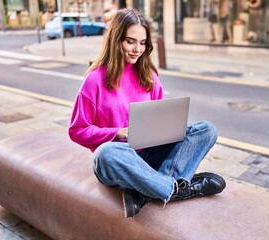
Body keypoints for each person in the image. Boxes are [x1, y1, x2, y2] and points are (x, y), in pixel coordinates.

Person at [68, 8, 226, 218]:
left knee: (207, 130)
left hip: (149, 156)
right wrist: (117, 133)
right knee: (104, 153)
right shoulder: (95, 80)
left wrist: (171, 128)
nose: (137, 49)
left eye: (142, 43)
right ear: (116, 40)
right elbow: (77, 130)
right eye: (130, 41)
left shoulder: (148, 76)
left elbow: (159, 119)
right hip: (119, 162)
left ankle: (145, 191)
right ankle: (178, 188)